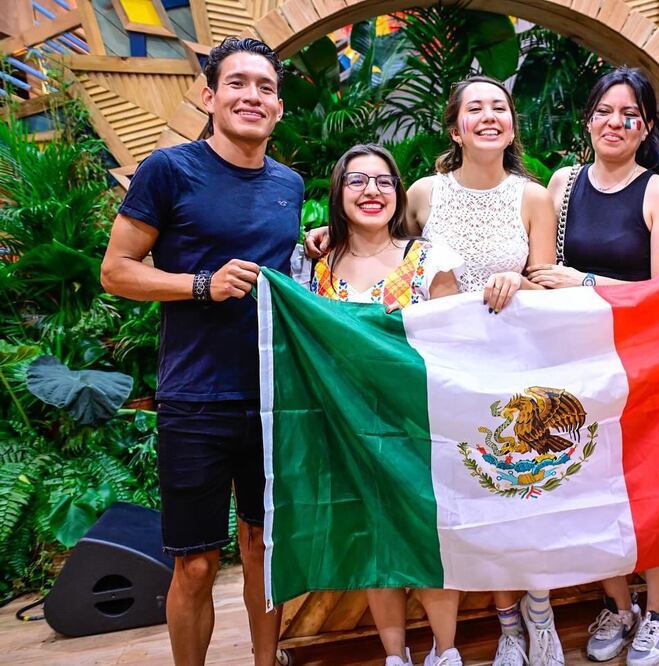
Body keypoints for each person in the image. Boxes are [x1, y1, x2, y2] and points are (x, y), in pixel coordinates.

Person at [305, 76, 558, 666]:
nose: (489, 116)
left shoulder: (534, 197)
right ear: (455, 126)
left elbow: (546, 282)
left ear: (513, 123)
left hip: (508, 365)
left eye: (500, 107)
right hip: (429, 382)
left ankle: (538, 614)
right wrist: (325, 238)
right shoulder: (423, 193)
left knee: (519, 496)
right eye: (475, 108)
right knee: (471, 506)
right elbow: (387, 243)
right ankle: (505, 628)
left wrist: (518, 281)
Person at [100, 38, 302, 666]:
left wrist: (312, 248)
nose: (252, 96)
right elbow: (116, 271)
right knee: (194, 563)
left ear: (278, 107)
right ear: (211, 96)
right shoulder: (169, 169)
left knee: (265, 549)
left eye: (265, 87)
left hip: (272, 396)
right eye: (238, 84)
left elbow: (277, 264)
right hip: (195, 398)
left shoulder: (288, 184)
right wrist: (199, 285)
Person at [527, 66, 659, 666]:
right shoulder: (563, 183)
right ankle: (618, 605)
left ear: (645, 128)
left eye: (630, 115)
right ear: (588, 119)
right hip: (579, 361)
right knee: (589, 484)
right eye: (604, 111)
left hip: (644, 363)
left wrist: (585, 281)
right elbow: (544, 274)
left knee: (651, 488)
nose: (615, 123)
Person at [309, 144, 462, 666]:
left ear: (398, 192)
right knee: (374, 544)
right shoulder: (318, 268)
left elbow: (455, 344)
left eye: (383, 182)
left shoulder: (429, 259)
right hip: (349, 429)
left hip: (419, 426)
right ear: (338, 192)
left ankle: (447, 651)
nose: (371, 192)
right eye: (357, 181)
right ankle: (395, 656)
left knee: (426, 541)